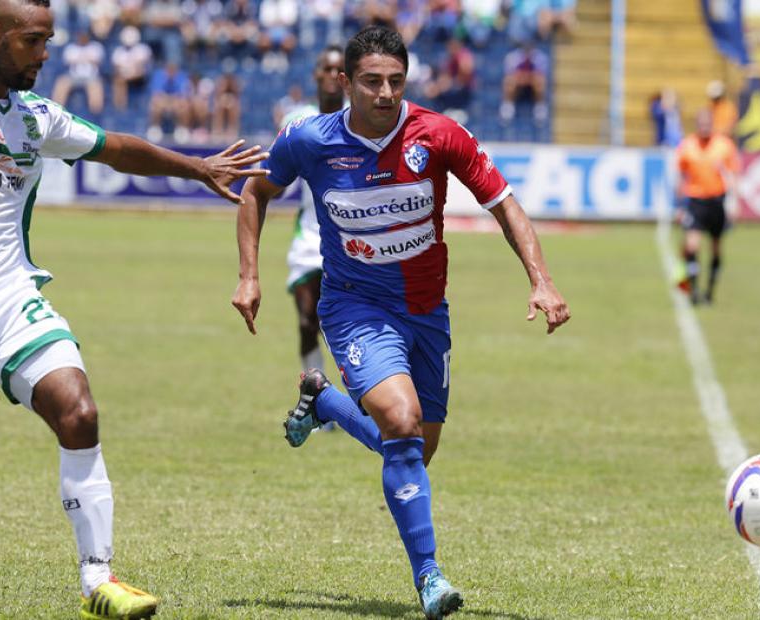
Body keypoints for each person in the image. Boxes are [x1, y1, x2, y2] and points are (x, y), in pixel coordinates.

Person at [0, 2, 267, 619]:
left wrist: (197, 168)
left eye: (49, 41)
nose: (44, 54)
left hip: (14, 300)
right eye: (32, 41)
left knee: (79, 411)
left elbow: (115, 148)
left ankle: (99, 581)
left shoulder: (34, 115)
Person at [232, 26, 569, 619]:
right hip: (353, 306)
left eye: (395, 81)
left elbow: (505, 204)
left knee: (414, 449)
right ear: (346, 83)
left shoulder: (438, 135)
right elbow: (256, 193)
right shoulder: (309, 139)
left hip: (426, 312)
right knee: (402, 423)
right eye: (371, 81)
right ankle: (430, 578)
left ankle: (327, 404)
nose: (385, 92)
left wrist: (540, 278)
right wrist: (249, 275)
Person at [278, 45, 345, 428]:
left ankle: (346, 403)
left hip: (351, 238)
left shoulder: (360, 121)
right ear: (317, 75)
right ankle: (319, 401)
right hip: (309, 238)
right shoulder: (298, 122)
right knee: (307, 322)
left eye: (341, 68)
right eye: (327, 67)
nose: (334, 75)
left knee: (343, 324)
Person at [676, 108, 740, 305]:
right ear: (697, 125)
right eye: (701, 124)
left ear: (712, 124)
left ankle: (710, 291)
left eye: (707, 124)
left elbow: (733, 175)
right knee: (692, 245)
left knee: (716, 248)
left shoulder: (724, 146)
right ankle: (693, 291)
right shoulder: (687, 146)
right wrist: (679, 205)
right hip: (696, 201)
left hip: (717, 201)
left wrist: (733, 202)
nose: (704, 127)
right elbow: (680, 174)